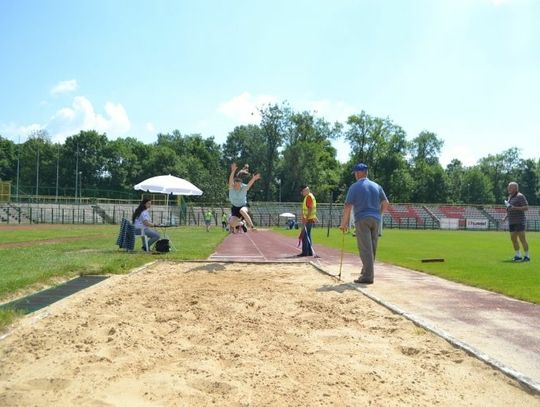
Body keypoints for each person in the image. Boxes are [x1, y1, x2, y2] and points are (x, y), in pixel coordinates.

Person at [339, 163, 389, 284]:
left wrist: (344, 223)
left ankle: (367, 276)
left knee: (365, 248)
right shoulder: (377, 186)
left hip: (362, 218)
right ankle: (366, 270)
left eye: (356, 173)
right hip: (375, 219)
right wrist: (379, 214)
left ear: (360, 172)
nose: (355, 175)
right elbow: (386, 203)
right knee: (372, 247)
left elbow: (347, 206)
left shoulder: (354, 187)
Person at [228, 163, 260, 232]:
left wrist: (254, 179)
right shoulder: (231, 187)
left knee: (242, 211)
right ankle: (242, 224)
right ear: (234, 184)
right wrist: (233, 171)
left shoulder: (244, 187)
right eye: (236, 185)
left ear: (241, 184)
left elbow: (249, 184)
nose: (238, 186)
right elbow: (230, 180)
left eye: (239, 185)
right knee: (232, 223)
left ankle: (252, 226)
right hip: (235, 208)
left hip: (243, 206)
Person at [505, 182, 530, 262]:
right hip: (512, 221)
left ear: (515, 188)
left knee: (522, 238)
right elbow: (509, 208)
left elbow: (526, 207)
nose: (508, 189)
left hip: (519, 221)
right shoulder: (510, 197)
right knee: (513, 239)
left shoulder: (520, 196)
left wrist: (515, 208)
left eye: (510, 187)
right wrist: (505, 217)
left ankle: (527, 256)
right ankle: (518, 255)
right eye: (508, 187)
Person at [298, 185, 317, 257]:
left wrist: (306, 218)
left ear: (305, 190)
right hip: (310, 218)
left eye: (302, 192)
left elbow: (310, 208)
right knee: (308, 235)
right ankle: (309, 252)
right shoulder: (310, 196)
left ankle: (305, 252)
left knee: (304, 236)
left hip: (308, 219)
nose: (302, 194)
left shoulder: (309, 197)